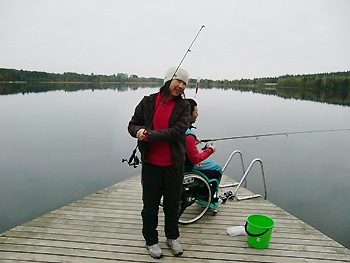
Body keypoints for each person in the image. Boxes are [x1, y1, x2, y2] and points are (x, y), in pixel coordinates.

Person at [128, 66, 190, 259]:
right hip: (151, 166)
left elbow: (177, 131)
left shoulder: (184, 106)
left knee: (173, 205)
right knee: (150, 206)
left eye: (184, 83)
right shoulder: (147, 102)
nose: (180, 85)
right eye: (178, 80)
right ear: (167, 80)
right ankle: (151, 241)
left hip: (174, 167)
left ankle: (172, 237)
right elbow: (132, 124)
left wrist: (150, 135)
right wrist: (138, 131)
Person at [185, 98, 222, 200]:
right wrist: (210, 150)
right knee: (217, 169)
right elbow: (195, 159)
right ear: (189, 113)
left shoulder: (179, 128)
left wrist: (194, 142)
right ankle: (207, 197)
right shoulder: (188, 135)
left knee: (210, 164)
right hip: (188, 168)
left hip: (180, 165)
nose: (197, 114)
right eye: (195, 111)